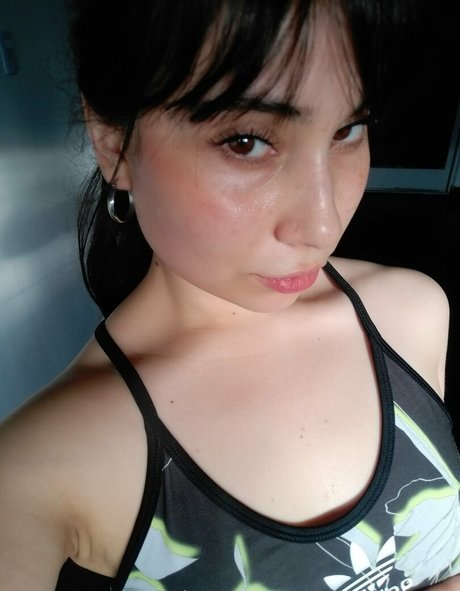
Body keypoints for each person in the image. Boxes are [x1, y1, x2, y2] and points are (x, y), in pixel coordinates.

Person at [0, 0, 459, 589]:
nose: (322, 224)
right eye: (246, 142)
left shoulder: (413, 315)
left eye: (349, 129)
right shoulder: (39, 467)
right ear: (113, 142)